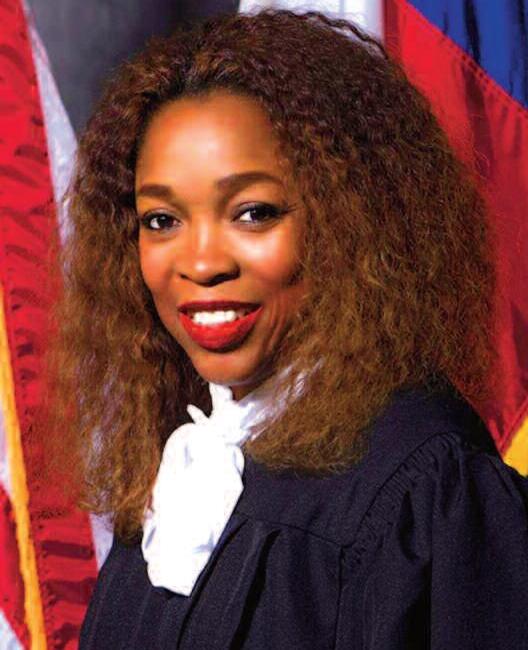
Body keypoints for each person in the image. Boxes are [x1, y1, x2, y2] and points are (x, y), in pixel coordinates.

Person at [46, 9, 528, 649]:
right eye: (161, 220)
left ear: (348, 219)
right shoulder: (182, 477)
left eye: (253, 212)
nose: (201, 264)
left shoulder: (427, 491)